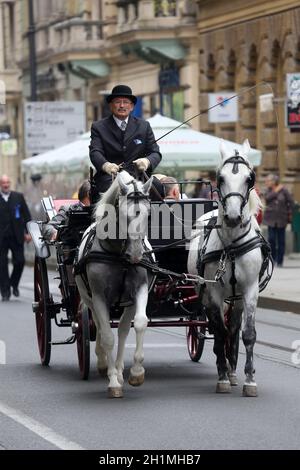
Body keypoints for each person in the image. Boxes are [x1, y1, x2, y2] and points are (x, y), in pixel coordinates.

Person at [89, 85, 162, 197]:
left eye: (126, 102)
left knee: (158, 188)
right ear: (111, 105)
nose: (122, 105)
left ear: (131, 106)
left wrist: (147, 161)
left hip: (139, 177)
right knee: (106, 193)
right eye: (118, 102)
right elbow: (95, 152)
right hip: (111, 178)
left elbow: (155, 152)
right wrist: (106, 166)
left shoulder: (144, 126)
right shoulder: (99, 127)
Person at [0, 174, 31, 301]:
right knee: (2, 265)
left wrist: (28, 232)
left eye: (7, 182)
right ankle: (5, 291)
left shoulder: (18, 197)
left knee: (20, 261)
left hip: (17, 236)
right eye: (3, 183)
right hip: (1, 238)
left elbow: (27, 216)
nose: (6, 185)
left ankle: (13, 283)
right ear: (0, 185)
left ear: (10, 183)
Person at [263, 174, 294, 267]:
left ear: (274, 181)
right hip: (271, 219)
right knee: (271, 239)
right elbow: (267, 198)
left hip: (282, 219)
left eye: (268, 181)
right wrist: (276, 191)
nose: (266, 182)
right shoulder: (268, 191)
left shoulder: (284, 190)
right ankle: (273, 259)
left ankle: (280, 261)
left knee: (281, 241)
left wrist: (289, 212)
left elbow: (291, 202)